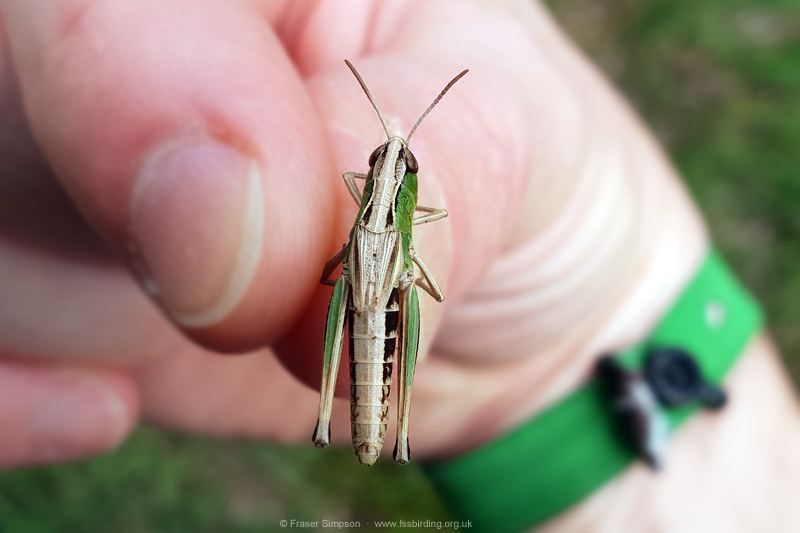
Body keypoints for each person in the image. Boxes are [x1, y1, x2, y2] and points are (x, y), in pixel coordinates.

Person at [1, 0, 798, 530]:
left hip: (390, 287)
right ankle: (344, 416)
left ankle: (386, 419)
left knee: (381, 311)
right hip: (361, 278)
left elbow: (407, 238)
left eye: (396, 170)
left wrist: (566, 352)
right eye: (388, 166)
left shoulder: (415, 209)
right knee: (346, 294)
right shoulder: (363, 192)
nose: (386, 175)